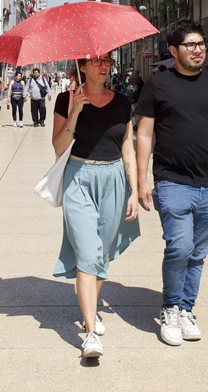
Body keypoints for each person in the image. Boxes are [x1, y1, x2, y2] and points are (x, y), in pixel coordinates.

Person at [135, 20, 208, 347]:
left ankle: (186, 309)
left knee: (198, 253)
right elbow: (144, 134)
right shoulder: (157, 85)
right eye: (190, 45)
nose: (198, 50)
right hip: (172, 181)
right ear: (173, 50)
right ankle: (170, 307)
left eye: (201, 44)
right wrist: (142, 180)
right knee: (180, 247)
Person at [52, 52, 140, 359]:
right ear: (82, 66)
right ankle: (90, 333)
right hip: (79, 177)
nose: (104, 66)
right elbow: (58, 147)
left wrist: (134, 189)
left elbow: (128, 147)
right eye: (97, 61)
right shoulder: (66, 99)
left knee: (101, 253)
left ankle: (91, 309)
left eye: (107, 61)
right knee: (87, 253)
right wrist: (75, 112)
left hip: (114, 178)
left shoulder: (122, 103)